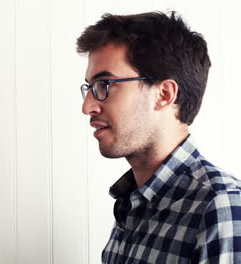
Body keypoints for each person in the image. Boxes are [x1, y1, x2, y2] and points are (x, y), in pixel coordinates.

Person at [77, 11, 241, 263]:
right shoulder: (132, 203)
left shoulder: (220, 208)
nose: (87, 106)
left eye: (105, 85)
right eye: (89, 88)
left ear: (164, 94)